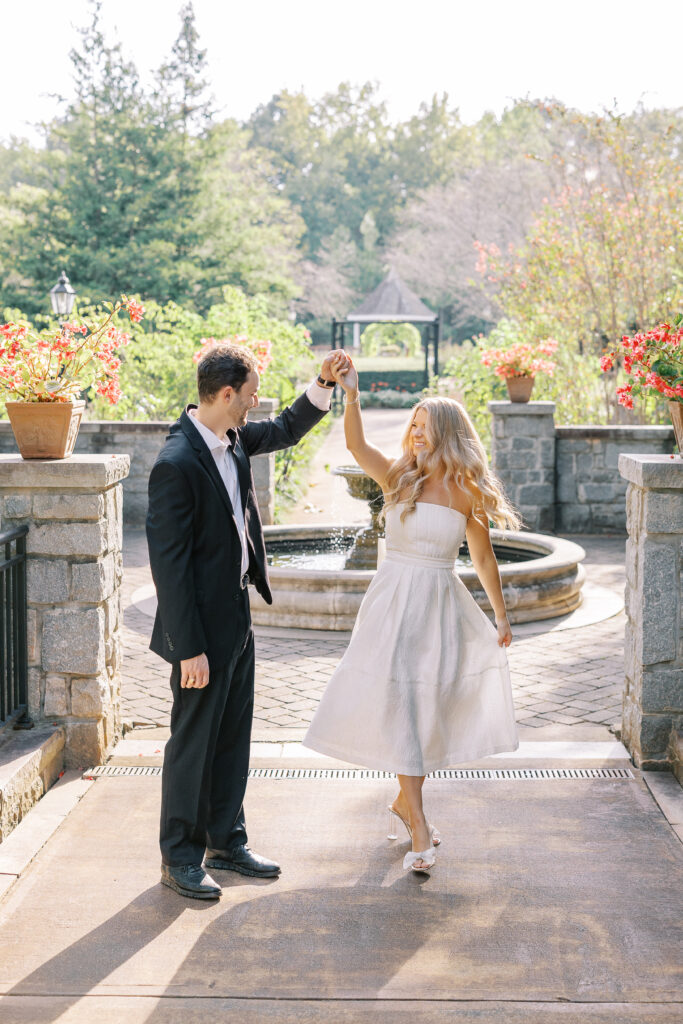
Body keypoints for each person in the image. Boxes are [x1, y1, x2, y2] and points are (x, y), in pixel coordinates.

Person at [147, 342, 349, 899]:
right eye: (252, 391)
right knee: (193, 743)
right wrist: (189, 648)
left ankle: (225, 842)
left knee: (233, 736)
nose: (257, 400)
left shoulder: (232, 438)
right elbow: (169, 569)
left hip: (237, 614)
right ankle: (180, 857)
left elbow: (285, 428)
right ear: (227, 393)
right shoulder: (176, 464)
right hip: (200, 633)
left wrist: (323, 384)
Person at [303, 357, 520, 874]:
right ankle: (419, 823)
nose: (415, 435)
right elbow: (356, 448)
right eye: (412, 426)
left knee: (423, 710)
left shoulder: (469, 492)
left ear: (446, 433)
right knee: (400, 702)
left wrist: (502, 616)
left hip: (439, 607)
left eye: (424, 427)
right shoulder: (399, 477)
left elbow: (483, 557)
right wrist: (350, 393)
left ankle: (407, 804)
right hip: (393, 603)